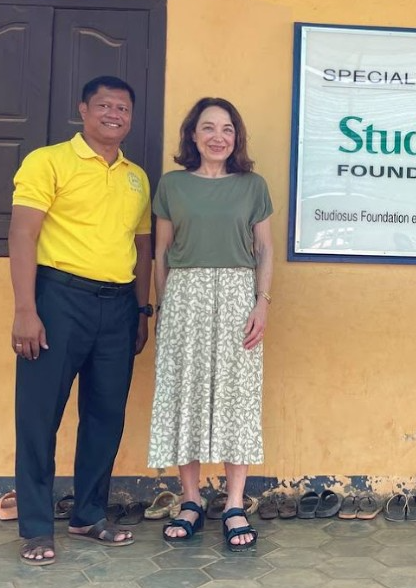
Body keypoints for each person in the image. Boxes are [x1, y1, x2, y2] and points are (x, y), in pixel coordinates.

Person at [9, 76, 152, 565]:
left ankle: (89, 515)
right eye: (104, 105)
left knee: (105, 415)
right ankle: (35, 527)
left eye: (123, 108)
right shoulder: (48, 161)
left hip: (118, 305)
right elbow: (23, 234)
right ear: (84, 110)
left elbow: (142, 247)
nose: (114, 114)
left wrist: (141, 309)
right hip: (58, 299)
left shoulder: (136, 177)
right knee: (39, 415)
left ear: (131, 117)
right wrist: (25, 309)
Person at [148, 97, 273, 552]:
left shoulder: (253, 185)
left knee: (237, 397)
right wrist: (165, 308)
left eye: (227, 129)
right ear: (193, 135)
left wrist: (262, 302)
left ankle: (235, 503)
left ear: (236, 137)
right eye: (208, 127)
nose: (218, 136)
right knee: (186, 394)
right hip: (185, 297)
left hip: (239, 297)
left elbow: (264, 249)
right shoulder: (173, 184)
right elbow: (162, 252)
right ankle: (191, 499)